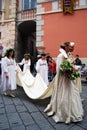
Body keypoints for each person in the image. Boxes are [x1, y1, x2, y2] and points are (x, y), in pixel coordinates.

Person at [44, 42, 83, 124]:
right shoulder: (61, 55)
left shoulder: (68, 55)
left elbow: (69, 64)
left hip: (69, 78)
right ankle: (63, 112)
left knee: (73, 93)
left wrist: (72, 66)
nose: (72, 49)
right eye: (71, 47)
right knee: (64, 93)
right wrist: (68, 69)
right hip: (63, 79)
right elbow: (59, 68)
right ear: (66, 47)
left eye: (73, 47)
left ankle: (72, 111)